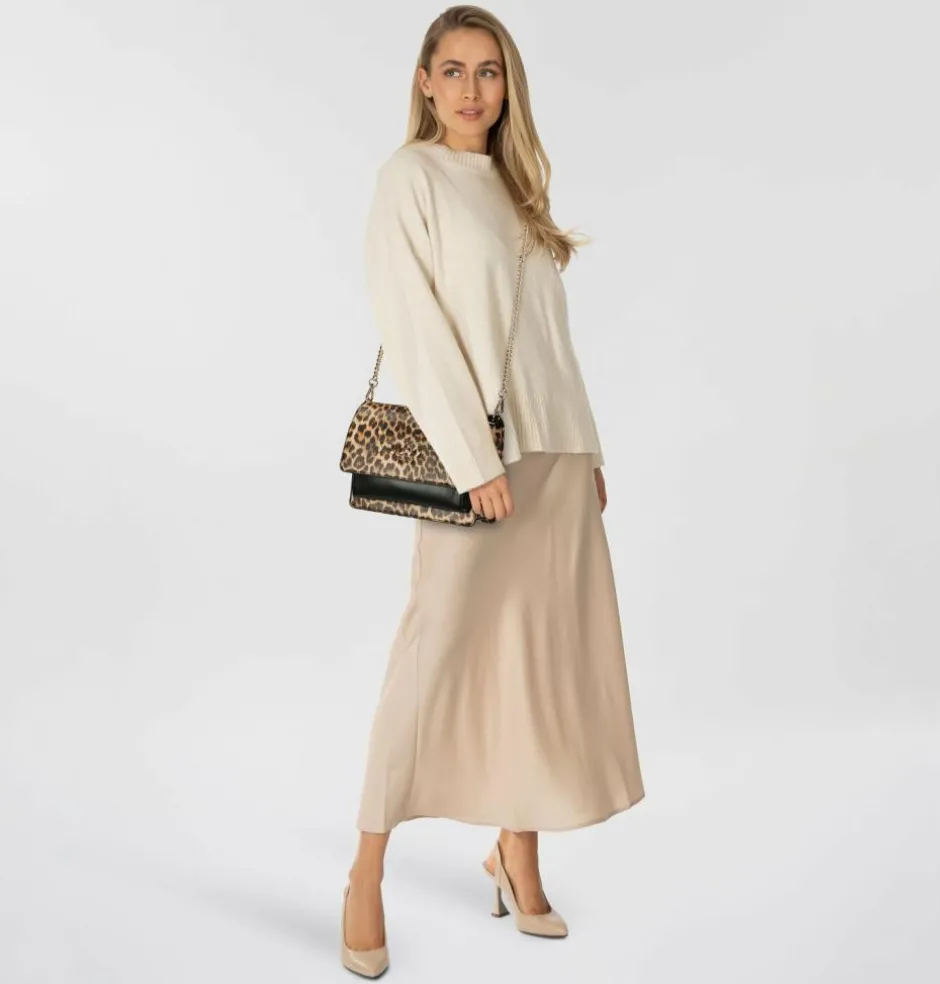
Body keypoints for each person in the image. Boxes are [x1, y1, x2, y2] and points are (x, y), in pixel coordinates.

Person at [340, 6, 645, 978]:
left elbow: (549, 341)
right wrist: (474, 461)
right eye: (454, 70)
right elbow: (413, 324)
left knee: (537, 659)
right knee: (430, 658)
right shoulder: (410, 179)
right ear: (424, 81)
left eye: (490, 71)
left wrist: (586, 451)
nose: (472, 89)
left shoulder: (518, 188)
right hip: (476, 465)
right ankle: (364, 870)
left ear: (508, 86)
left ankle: (516, 850)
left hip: (555, 458)